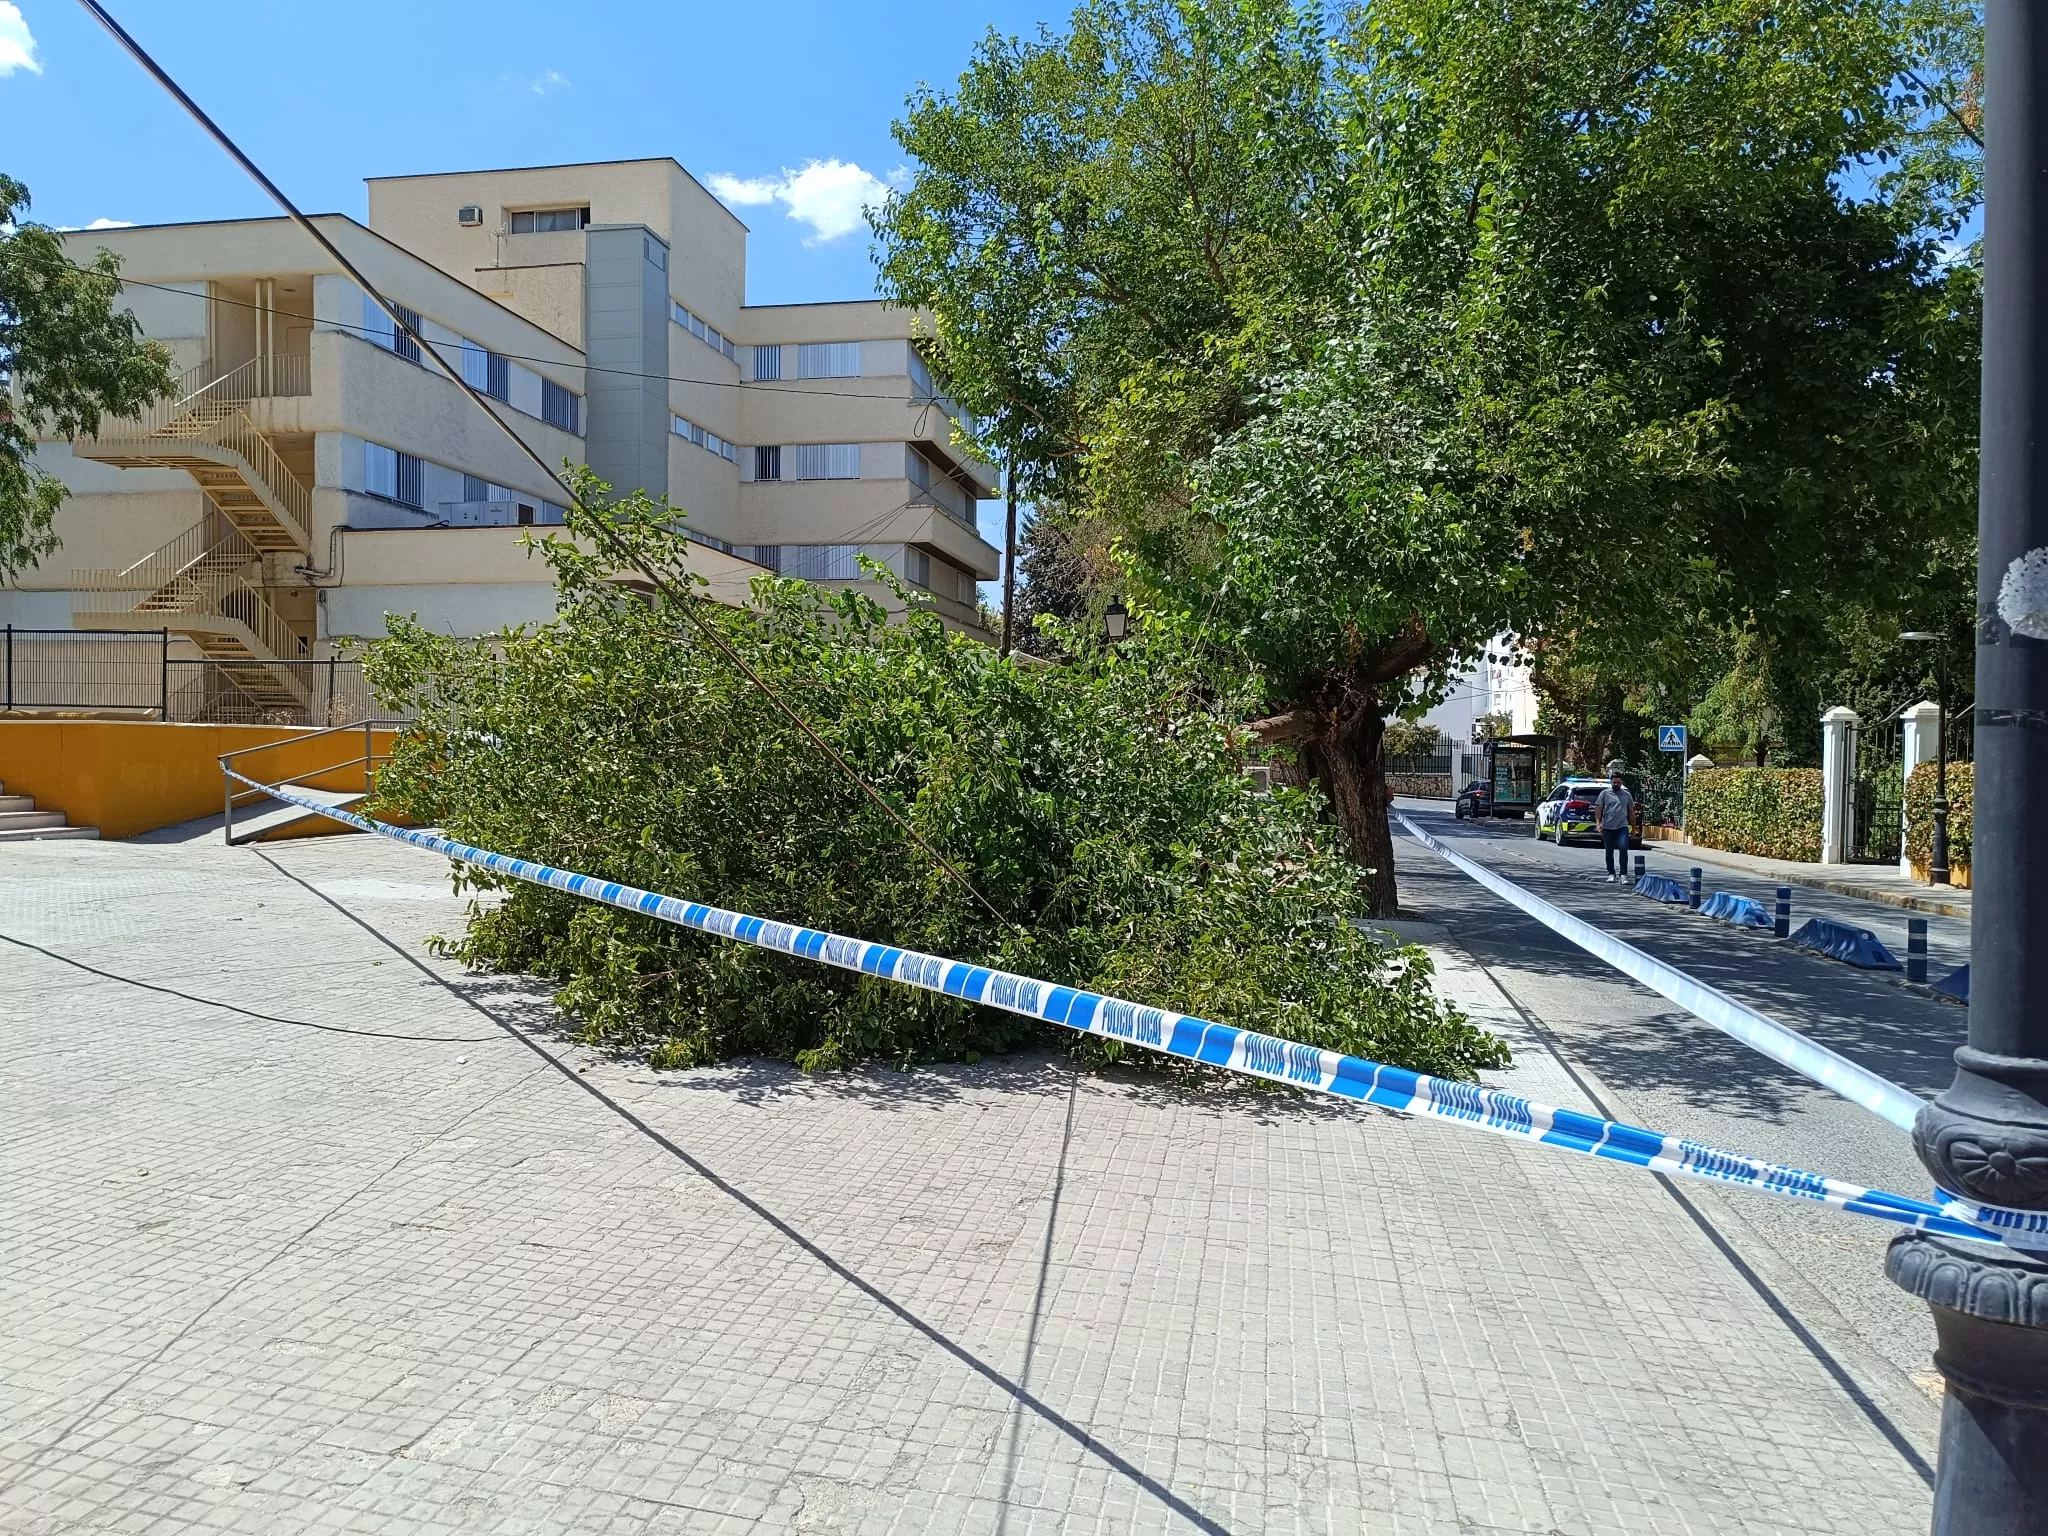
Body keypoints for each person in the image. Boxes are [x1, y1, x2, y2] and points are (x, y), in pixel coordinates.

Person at [1596, 771, 1635, 882]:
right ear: (1611, 782)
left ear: (1621, 782)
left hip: (1622, 826)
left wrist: (1633, 829)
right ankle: (1611, 873)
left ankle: (1623, 874)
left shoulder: (1627, 795)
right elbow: (1598, 809)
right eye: (1614, 782)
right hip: (1608, 827)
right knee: (1609, 851)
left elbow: (1631, 812)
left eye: (1618, 782)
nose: (1616, 784)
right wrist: (1598, 823)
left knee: (1623, 848)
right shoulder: (1604, 794)